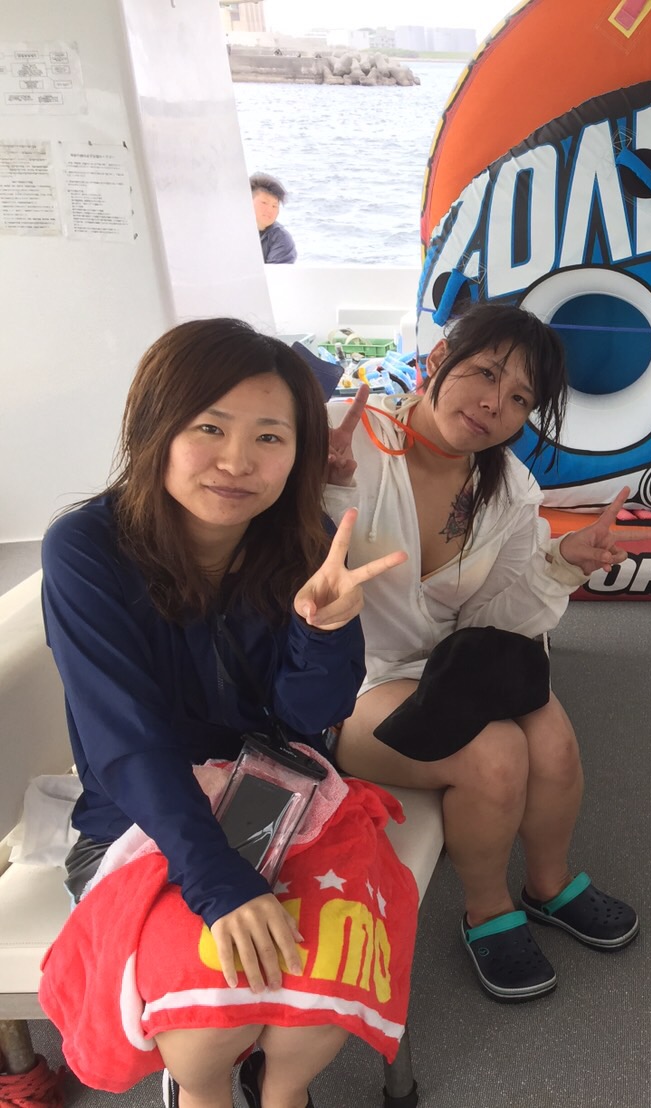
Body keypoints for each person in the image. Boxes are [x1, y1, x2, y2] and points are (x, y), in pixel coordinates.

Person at [39, 319, 409, 1108]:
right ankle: (201, 1090)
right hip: (144, 818)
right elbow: (127, 744)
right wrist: (218, 882)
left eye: (269, 437)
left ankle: (282, 1093)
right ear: (156, 428)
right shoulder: (86, 548)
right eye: (210, 427)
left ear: (298, 454)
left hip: (280, 800)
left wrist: (324, 633)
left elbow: (310, 718)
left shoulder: (306, 542)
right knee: (206, 1027)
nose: (238, 462)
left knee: (311, 1011)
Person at [324, 301, 640, 1004]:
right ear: (438, 360)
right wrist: (312, 488)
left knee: (552, 739)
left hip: (447, 667)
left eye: (521, 398)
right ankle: (487, 909)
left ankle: (548, 885)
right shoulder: (342, 438)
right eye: (487, 374)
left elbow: (492, 621)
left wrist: (562, 564)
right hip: (345, 684)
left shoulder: (509, 492)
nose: (497, 404)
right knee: (495, 755)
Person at [251, 172, 297, 264]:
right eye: (264, 203)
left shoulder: (281, 239)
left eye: (274, 206)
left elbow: (276, 272)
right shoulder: (229, 227)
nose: (269, 210)